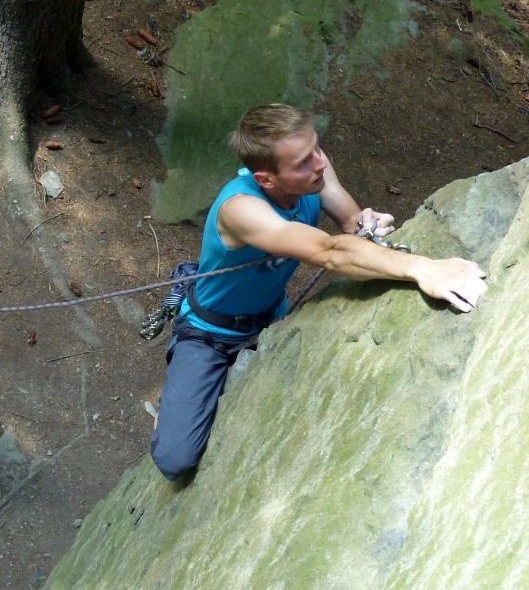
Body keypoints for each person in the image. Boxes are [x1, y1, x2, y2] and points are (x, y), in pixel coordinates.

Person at [150, 103, 487, 482]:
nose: (319, 165)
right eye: (302, 162)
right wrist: (422, 267)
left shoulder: (313, 174)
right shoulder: (240, 209)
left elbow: (350, 222)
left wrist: (369, 225)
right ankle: (176, 399)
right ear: (266, 180)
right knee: (176, 459)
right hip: (211, 332)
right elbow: (329, 251)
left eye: (316, 149)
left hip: (269, 315)